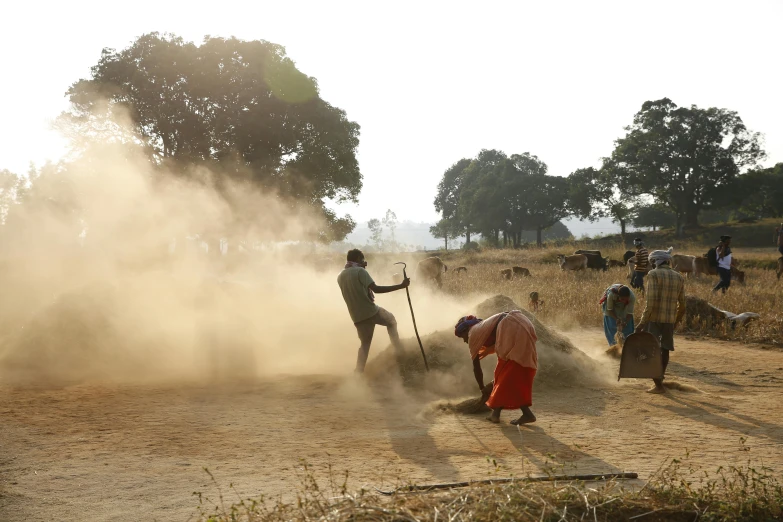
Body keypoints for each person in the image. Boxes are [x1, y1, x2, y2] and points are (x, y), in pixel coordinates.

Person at [454, 311, 538, 425]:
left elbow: (476, 368)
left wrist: (482, 388)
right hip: (523, 322)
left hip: (510, 324)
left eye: (462, 336)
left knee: (504, 371)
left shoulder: (472, 333)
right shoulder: (482, 328)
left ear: (466, 330)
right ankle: (498, 414)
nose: (464, 340)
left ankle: (503, 414)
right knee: (510, 372)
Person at [337, 249, 410, 373]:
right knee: (391, 320)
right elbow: (376, 289)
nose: (364, 262)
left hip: (356, 316)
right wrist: (401, 286)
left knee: (365, 345)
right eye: (362, 259)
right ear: (358, 259)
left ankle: (358, 373)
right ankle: (399, 352)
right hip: (370, 311)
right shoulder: (360, 271)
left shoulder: (341, 276)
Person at [637, 250, 685, 394]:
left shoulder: (653, 274)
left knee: (652, 350)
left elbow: (650, 302)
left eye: (651, 262)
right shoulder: (678, 277)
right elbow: (682, 304)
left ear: (654, 261)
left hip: (654, 319)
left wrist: (642, 322)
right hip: (669, 320)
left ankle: (658, 386)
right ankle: (660, 381)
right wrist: (675, 321)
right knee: (665, 350)